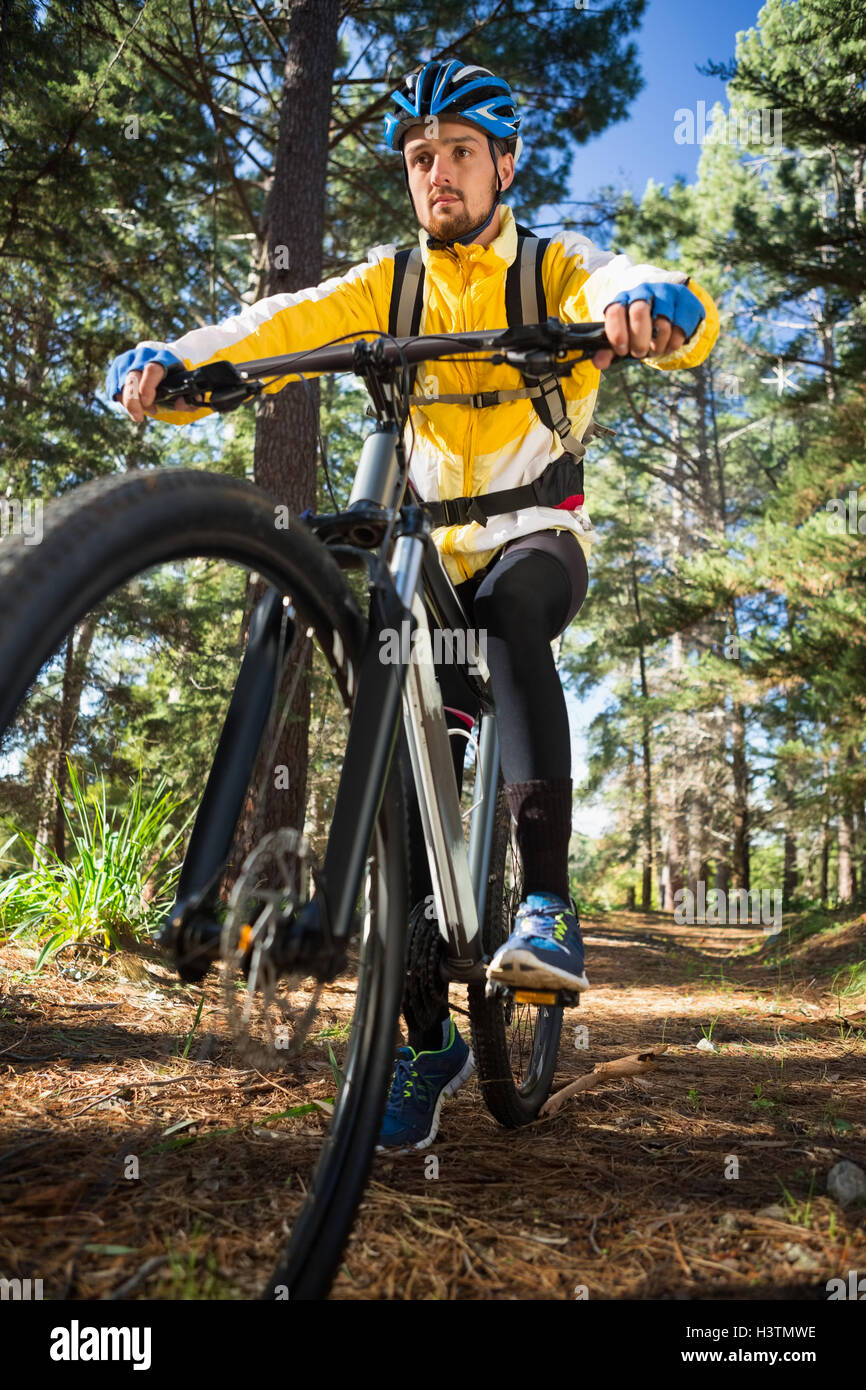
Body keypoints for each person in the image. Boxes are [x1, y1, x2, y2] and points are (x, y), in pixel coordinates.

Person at [107, 58, 719, 1154]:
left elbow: (630, 275)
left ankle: (542, 904)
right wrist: (185, 361)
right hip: (427, 552)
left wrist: (650, 305)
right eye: (419, 158)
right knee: (401, 764)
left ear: (504, 164)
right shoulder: (390, 281)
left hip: (533, 539)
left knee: (515, 613)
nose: (436, 175)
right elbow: (283, 320)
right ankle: (426, 1034)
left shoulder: (551, 269)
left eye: (458, 155)